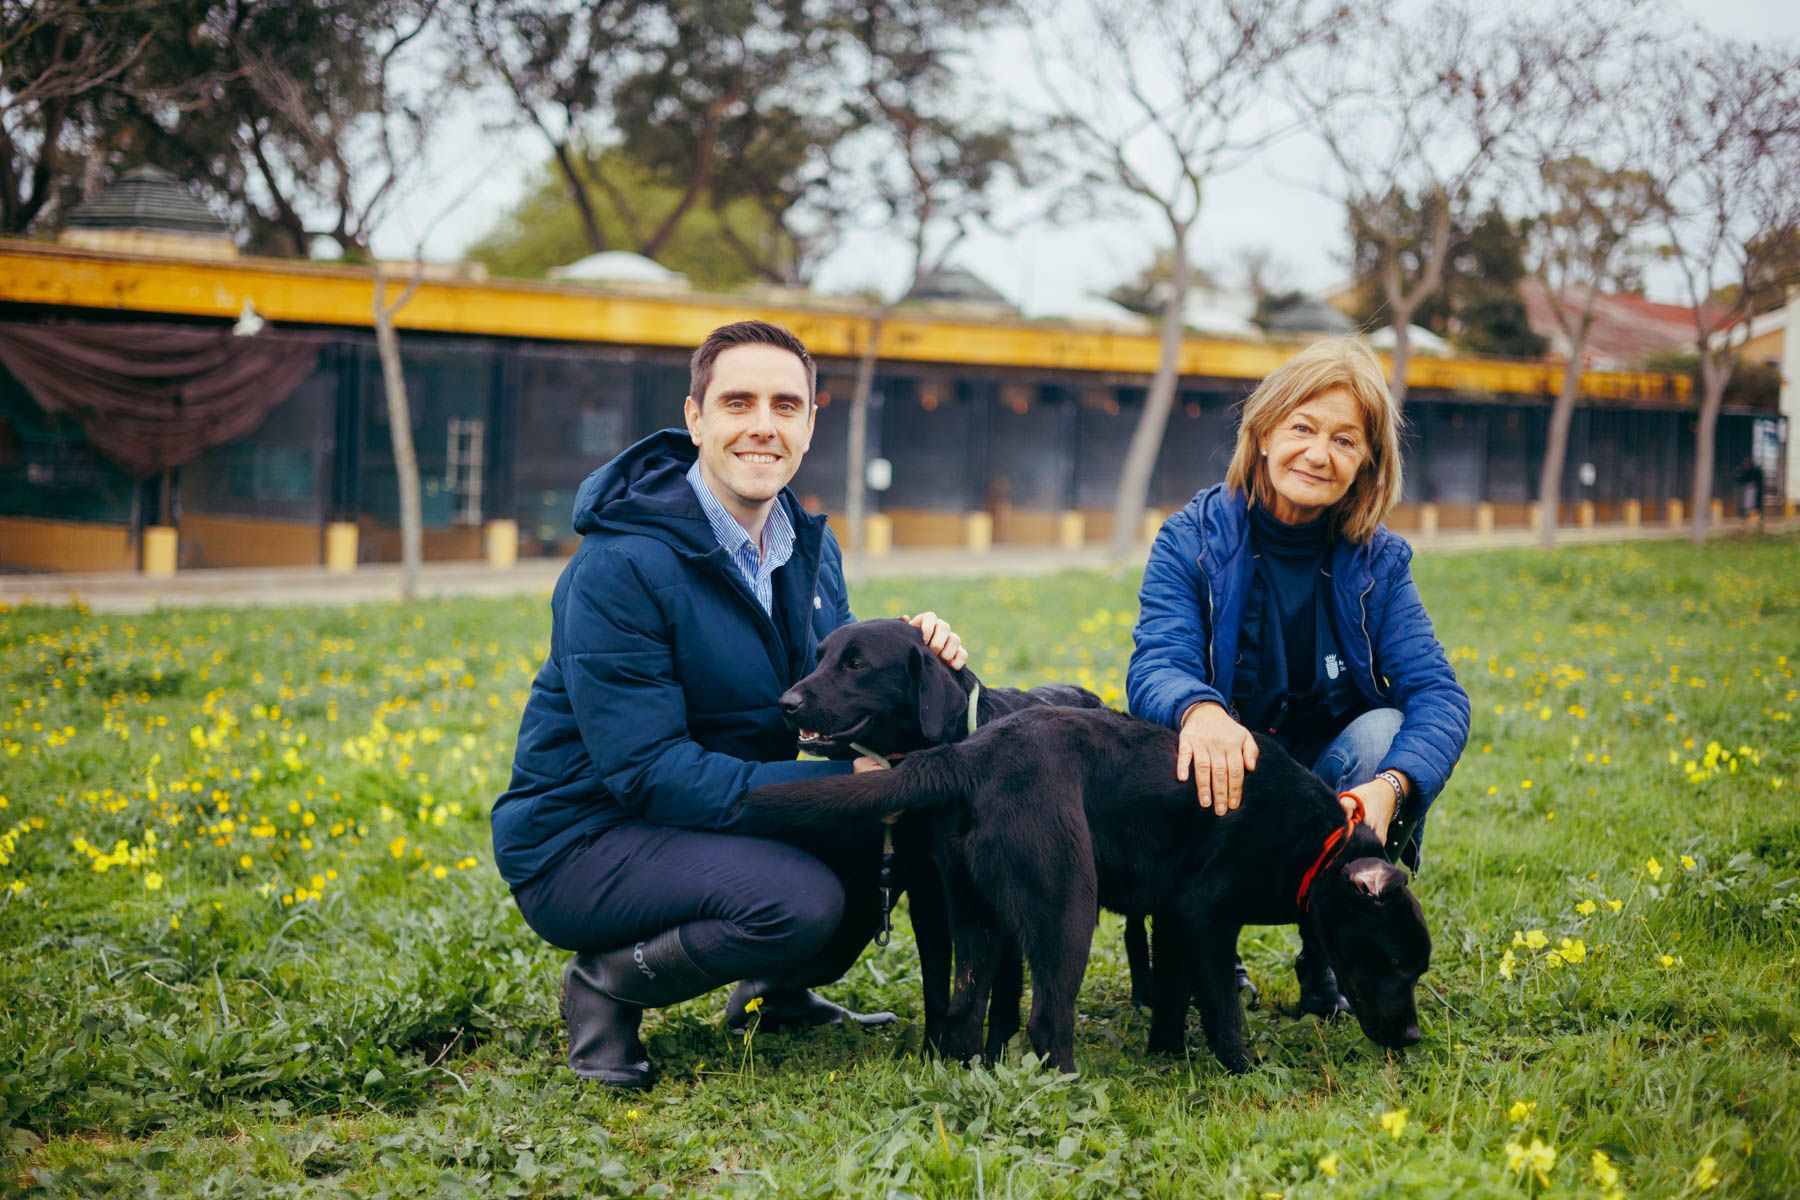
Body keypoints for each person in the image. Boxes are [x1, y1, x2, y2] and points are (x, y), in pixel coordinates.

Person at [491, 320, 967, 1090]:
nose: (762, 426)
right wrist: (860, 787)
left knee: (872, 866)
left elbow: (818, 707)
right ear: (695, 419)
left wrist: (915, 656)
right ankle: (608, 984)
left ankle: (774, 994)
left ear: (811, 423)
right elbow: (648, 774)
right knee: (800, 898)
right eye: (737, 401)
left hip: (700, 821)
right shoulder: (619, 567)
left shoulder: (809, 548)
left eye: (786, 405)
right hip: (583, 838)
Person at [1127, 336, 1470, 1016]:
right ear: (1261, 434)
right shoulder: (1189, 538)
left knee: (1385, 735)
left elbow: (1439, 695)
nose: (1319, 454)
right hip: (1224, 779)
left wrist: (1390, 786)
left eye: (1345, 441)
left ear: (1366, 463)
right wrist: (1201, 710)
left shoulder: (1381, 561)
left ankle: (1330, 956)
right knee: (1186, 731)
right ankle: (1211, 952)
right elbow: (1157, 664)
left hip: (1324, 789)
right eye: (1303, 428)